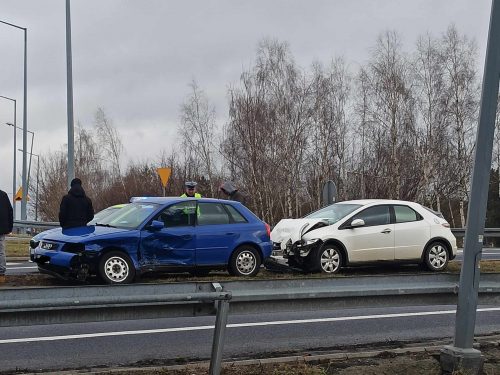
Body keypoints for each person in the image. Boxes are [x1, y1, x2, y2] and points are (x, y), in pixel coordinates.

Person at [0, 189, 13, 284]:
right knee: (1, 251)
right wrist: (9, 227)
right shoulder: (3, 195)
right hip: (1, 229)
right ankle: (1, 273)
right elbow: (10, 211)